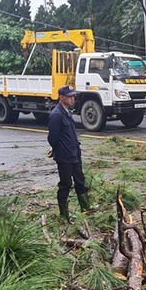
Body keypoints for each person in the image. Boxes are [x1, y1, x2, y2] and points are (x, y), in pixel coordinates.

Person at [48, 86, 96, 220]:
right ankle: (64, 214)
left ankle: (86, 207)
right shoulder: (56, 115)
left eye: (73, 96)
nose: (72, 99)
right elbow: (53, 137)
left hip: (74, 154)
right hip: (64, 157)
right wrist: (55, 149)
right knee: (65, 184)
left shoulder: (68, 112)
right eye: (69, 96)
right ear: (61, 97)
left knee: (80, 181)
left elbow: (68, 135)